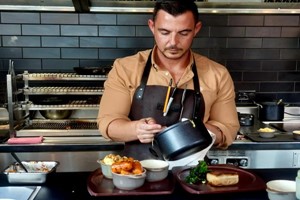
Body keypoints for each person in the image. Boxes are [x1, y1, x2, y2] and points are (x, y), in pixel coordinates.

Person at [97, 0, 240, 160]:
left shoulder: (218, 74)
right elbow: (108, 123)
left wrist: (195, 130)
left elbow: (228, 130)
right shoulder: (125, 68)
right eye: (165, 32)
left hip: (192, 177)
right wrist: (137, 128)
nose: (173, 42)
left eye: (184, 33)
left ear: (196, 29)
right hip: (136, 174)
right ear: (152, 27)